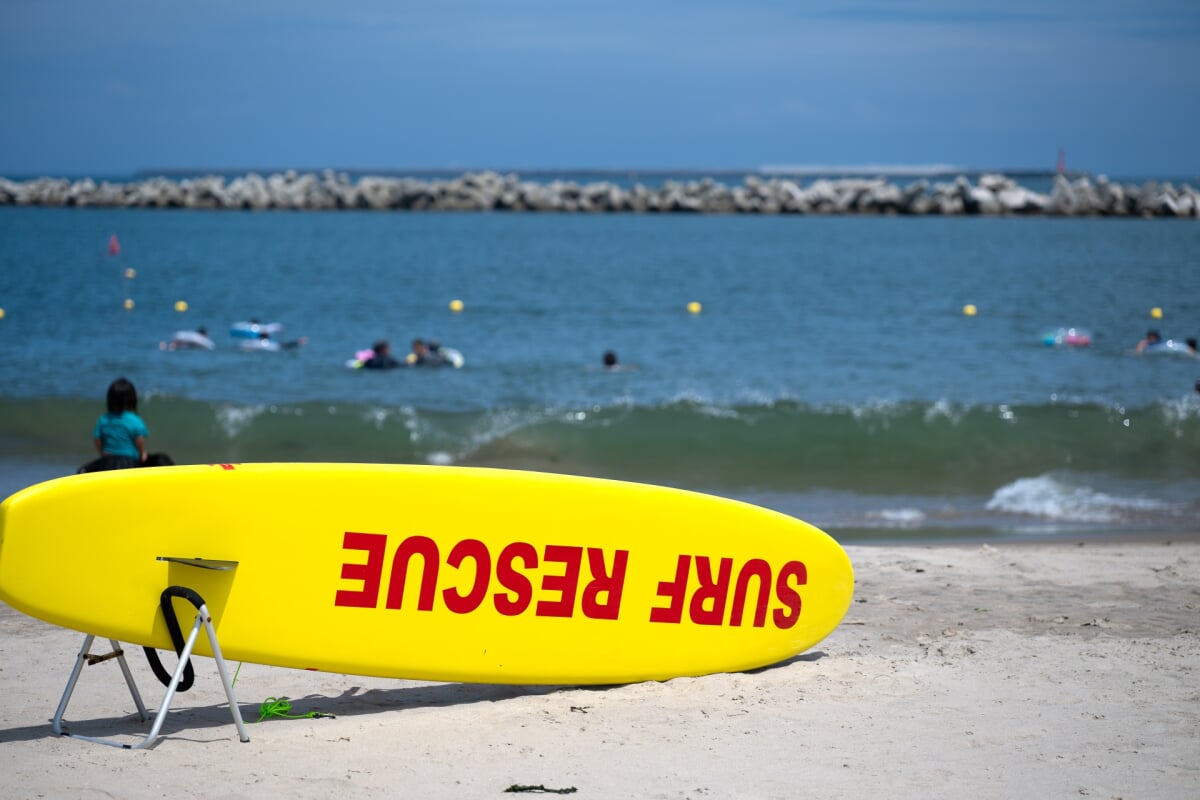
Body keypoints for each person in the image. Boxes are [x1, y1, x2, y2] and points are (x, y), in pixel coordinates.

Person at [77, 378, 174, 473]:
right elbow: (139, 441)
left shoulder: (104, 419)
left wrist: (102, 452)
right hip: (129, 462)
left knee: (83, 470)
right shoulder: (135, 420)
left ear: (110, 399)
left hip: (107, 462)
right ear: (132, 399)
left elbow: (97, 439)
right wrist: (142, 454)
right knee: (162, 459)